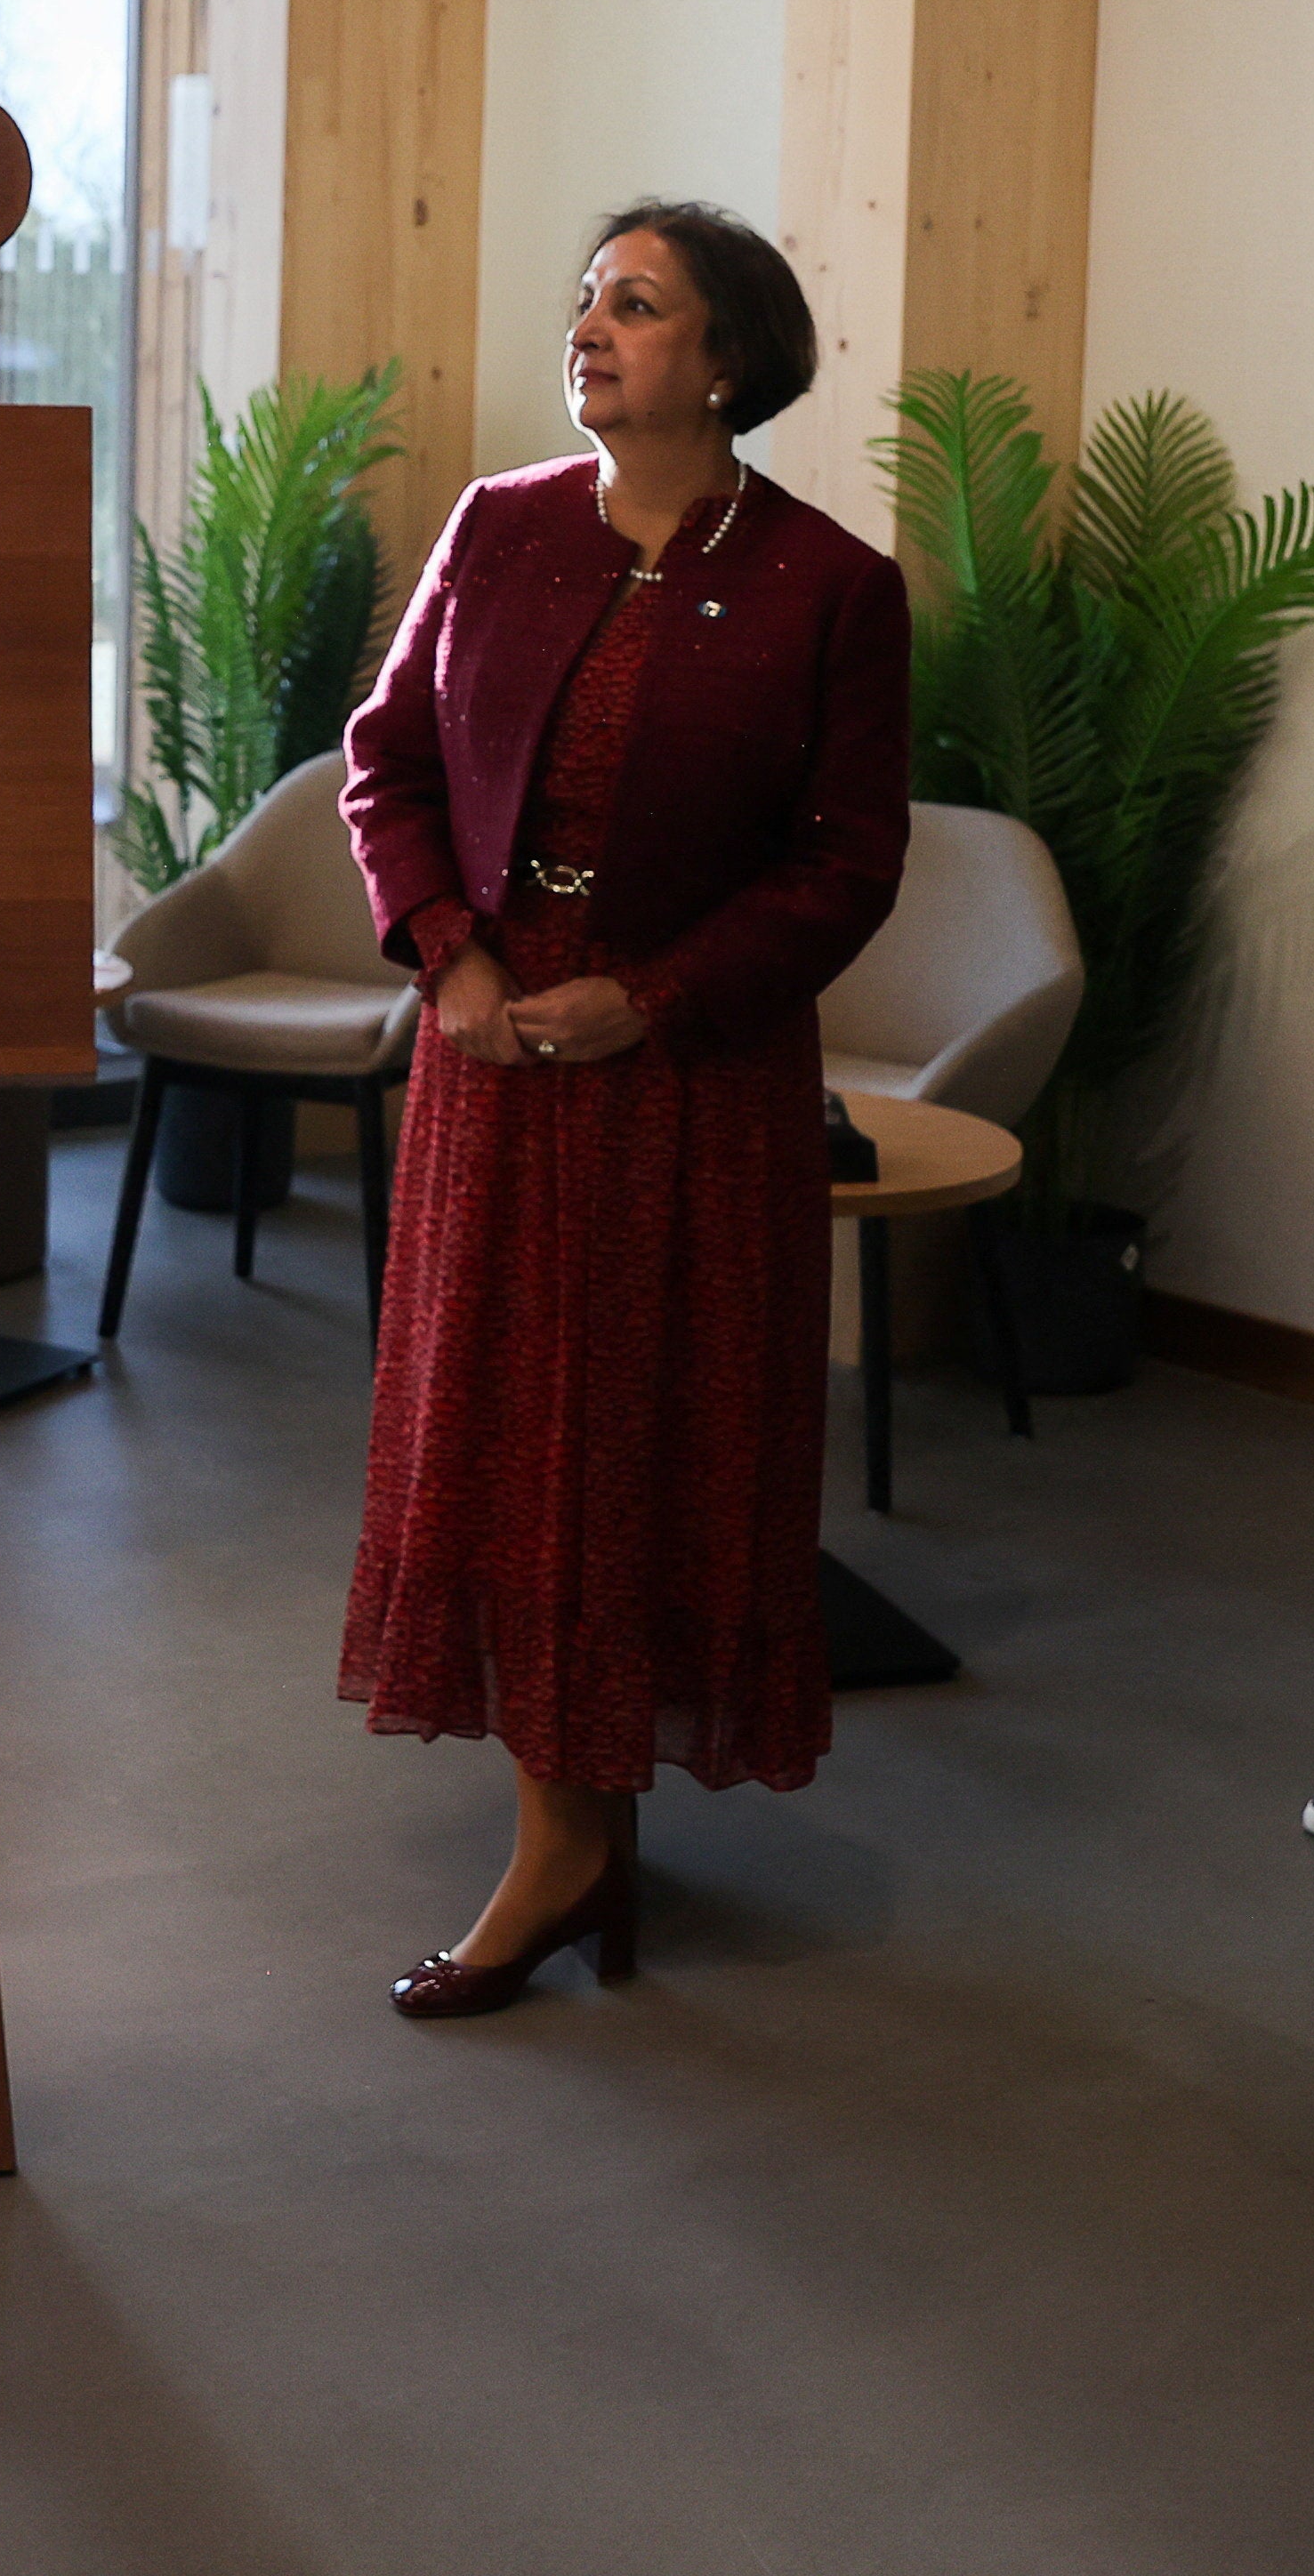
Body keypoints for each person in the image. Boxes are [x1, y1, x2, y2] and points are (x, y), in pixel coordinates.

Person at [337, 205, 910, 2017]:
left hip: (691, 1082)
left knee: (648, 1436)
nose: (590, 326)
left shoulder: (830, 584)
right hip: (497, 1059)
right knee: (513, 1435)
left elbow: (846, 867)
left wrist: (647, 1000)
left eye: (638, 306)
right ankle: (563, 1835)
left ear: (727, 361)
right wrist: (451, 956)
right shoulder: (499, 526)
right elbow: (385, 762)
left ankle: (582, 1837)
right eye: (587, 298)